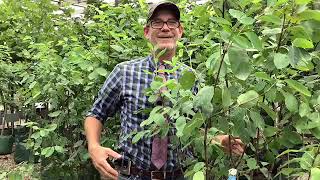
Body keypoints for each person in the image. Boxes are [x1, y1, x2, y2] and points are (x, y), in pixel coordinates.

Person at [84, 1, 244, 180]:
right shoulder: (124, 72)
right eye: (157, 22)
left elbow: (192, 128)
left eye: (172, 22)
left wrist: (217, 139)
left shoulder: (191, 77)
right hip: (132, 175)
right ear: (147, 32)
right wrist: (94, 147)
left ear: (180, 31)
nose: (165, 28)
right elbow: (96, 114)